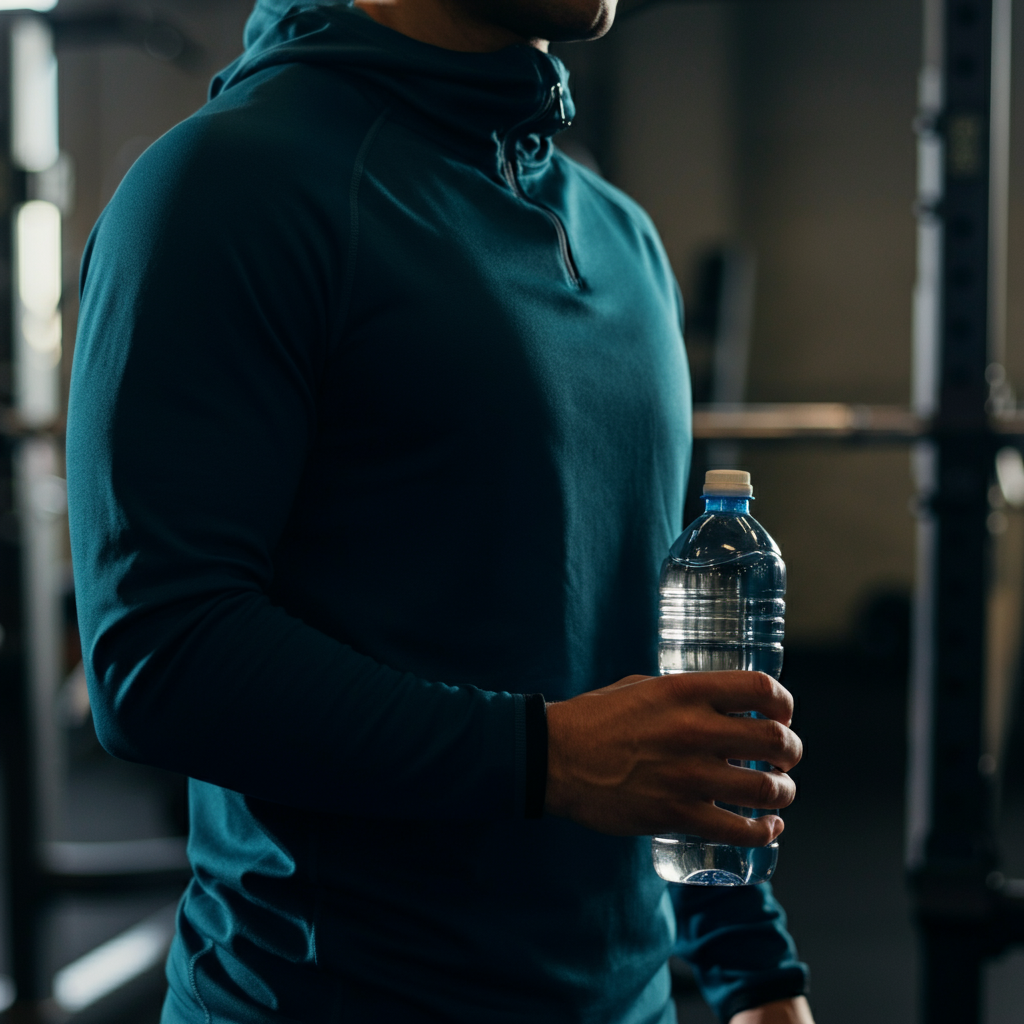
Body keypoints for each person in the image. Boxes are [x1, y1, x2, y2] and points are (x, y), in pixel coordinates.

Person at [66, 0, 814, 1021]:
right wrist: (547, 756)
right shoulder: (222, 188)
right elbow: (157, 657)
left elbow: (661, 675)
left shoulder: (621, 239)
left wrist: (751, 970)